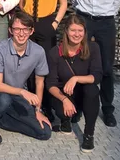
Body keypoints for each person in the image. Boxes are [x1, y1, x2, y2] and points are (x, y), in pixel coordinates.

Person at [0, 11, 52, 145]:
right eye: (17, 29)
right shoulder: (0, 49)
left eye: (25, 29)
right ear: (10, 30)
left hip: (15, 93)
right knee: (4, 100)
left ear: (31, 31)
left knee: (44, 132)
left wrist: (38, 110)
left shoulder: (38, 51)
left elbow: (39, 82)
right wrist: (23, 92)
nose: (21, 33)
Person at [19, 0, 67, 120]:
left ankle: (47, 106)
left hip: (47, 24)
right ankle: (34, 104)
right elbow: (22, 4)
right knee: (30, 65)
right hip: (30, 25)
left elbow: (64, 4)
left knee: (46, 66)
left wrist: (55, 23)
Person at [47, 15, 102, 153]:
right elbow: (51, 84)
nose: (76, 34)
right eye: (73, 30)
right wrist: (64, 99)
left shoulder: (93, 48)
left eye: (80, 30)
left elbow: (97, 76)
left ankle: (89, 134)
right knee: (59, 105)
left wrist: (76, 78)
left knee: (92, 90)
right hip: (65, 94)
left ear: (84, 32)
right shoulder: (55, 53)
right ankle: (65, 123)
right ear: (66, 31)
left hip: (84, 94)